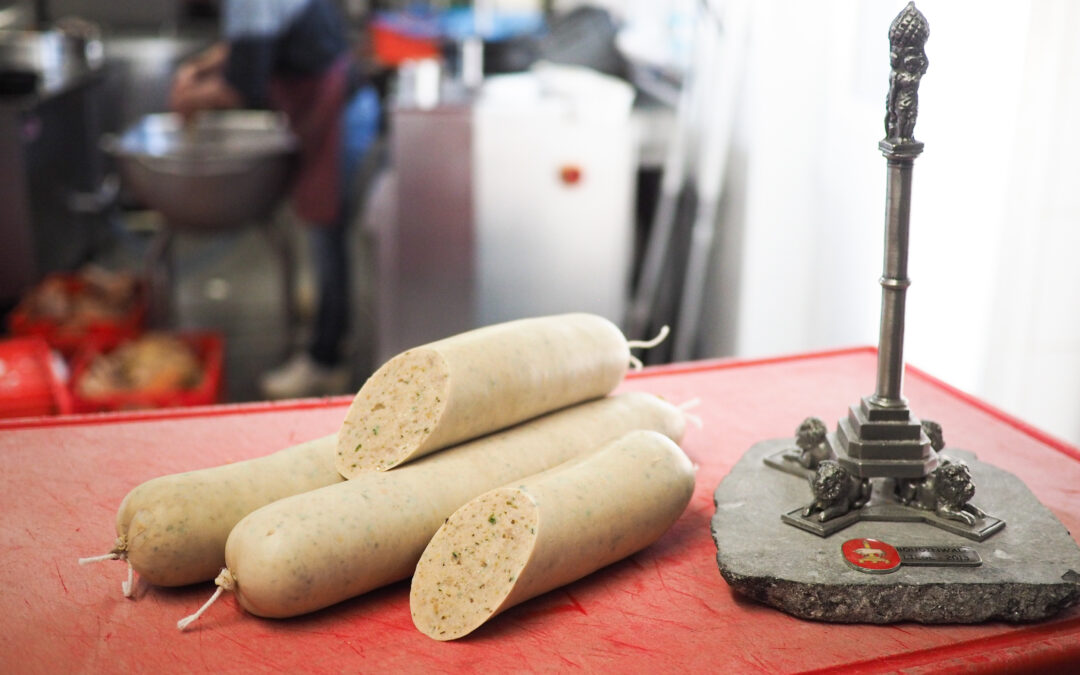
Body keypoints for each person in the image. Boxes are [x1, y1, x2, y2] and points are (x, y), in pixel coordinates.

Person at [169, 0, 380, 399]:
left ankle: (326, 360)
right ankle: (332, 326)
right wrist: (201, 69)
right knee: (325, 236)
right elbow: (249, 46)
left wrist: (190, 99)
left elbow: (243, 86)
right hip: (333, 108)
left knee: (327, 236)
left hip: (337, 114)